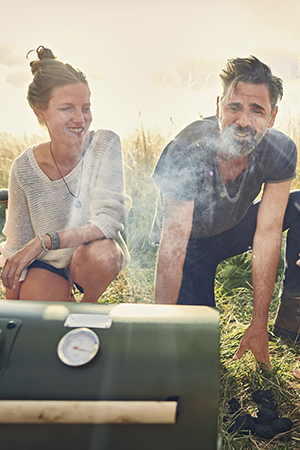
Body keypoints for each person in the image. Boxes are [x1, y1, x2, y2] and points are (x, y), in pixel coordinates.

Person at [151, 56, 300, 371]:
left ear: (272, 117)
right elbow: (174, 240)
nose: (243, 121)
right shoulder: (187, 147)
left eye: (256, 110)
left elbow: (269, 231)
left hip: (234, 230)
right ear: (219, 106)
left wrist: (257, 322)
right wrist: (159, 325)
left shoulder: (281, 149)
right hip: (191, 243)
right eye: (234, 107)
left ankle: (291, 315)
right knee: (198, 349)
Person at [0, 46, 131, 302]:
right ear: (40, 110)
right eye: (67, 109)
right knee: (36, 323)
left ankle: (85, 316)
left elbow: (107, 220)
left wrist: (46, 241)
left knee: (104, 255)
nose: (80, 119)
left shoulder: (105, 144)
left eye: (85, 108)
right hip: (47, 266)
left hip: (90, 258)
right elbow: (17, 246)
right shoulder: (24, 168)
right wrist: (11, 317)